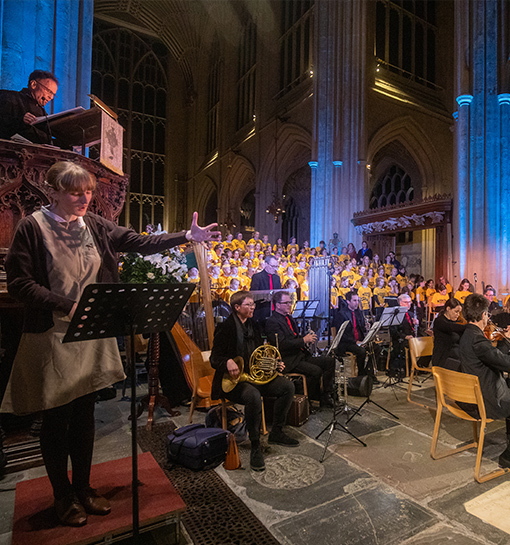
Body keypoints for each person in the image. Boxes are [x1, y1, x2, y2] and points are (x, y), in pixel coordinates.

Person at [1, 161, 219, 527]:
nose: (85, 198)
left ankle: (84, 488)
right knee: (57, 420)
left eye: (88, 191)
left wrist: (187, 236)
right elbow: (20, 283)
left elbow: (140, 242)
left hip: (90, 331)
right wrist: (66, 304)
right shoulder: (32, 228)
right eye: (75, 192)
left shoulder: (95, 225)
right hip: (51, 334)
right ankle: (62, 495)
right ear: (52, 191)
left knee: (84, 415)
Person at [209, 292, 298, 472]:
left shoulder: (254, 326)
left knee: (287, 386)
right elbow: (214, 358)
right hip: (232, 381)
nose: (253, 307)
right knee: (253, 396)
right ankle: (255, 445)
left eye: (253, 305)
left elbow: (260, 353)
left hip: (255, 376)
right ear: (237, 307)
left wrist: (274, 364)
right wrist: (227, 361)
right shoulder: (225, 328)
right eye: (249, 305)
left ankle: (277, 432)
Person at [459, 294, 510, 468]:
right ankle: (508, 455)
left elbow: (494, 358)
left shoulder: (467, 334)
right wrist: (507, 341)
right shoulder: (478, 340)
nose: (488, 318)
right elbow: (505, 363)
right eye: (487, 315)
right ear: (483, 316)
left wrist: (503, 340)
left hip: (473, 394)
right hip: (485, 399)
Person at [265, 291, 336, 406]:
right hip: (289, 360)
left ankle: (326, 396)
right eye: (286, 303)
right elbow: (282, 344)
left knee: (329, 361)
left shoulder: (288, 317)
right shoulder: (272, 322)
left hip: (299, 355)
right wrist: (303, 340)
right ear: (277, 305)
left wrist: (306, 337)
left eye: (290, 302)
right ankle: (308, 400)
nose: (290, 305)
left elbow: (294, 336)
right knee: (315, 371)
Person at [0, 69, 59, 144]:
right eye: (49, 91)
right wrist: (20, 121)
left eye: (53, 94)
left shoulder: (43, 112)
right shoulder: (7, 97)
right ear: (33, 84)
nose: (51, 97)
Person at [332, 292, 373, 378]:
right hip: (347, 343)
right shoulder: (341, 314)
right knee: (361, 352)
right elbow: (342, 334)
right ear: (348, 301)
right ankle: (361, 374)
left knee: (375, 348)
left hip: (359, 341)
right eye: (354, 300)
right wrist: (356, 342)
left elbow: (360, 328)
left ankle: (369, 372)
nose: (357, 302)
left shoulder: (359, 312)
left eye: (358, 300)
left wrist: (366, 327)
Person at [389, 294, 420, 375]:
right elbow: (393, 331)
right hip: (400, 340)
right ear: (400, 303)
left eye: (409, 302)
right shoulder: (395, 315)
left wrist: (416, 324)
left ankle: (420, 366)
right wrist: (405, 336)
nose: (408, 304)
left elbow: (414, 329)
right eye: (406, 302)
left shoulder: (411, 314)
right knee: (410, 347)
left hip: (411, 338)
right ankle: (409, 368)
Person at [431, 297, 466, 368]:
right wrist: (471, 326)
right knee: (465, 366)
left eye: (459, 312)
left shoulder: (454, 322)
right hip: (442, 359)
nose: (458, 315)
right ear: (448, 309)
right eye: (456, 311)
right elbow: (451, 327)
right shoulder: (439, 321)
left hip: (453, 356)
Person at [250, 254, 282, 326]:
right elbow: (253, 294)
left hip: (275, 311)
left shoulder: (277, 278)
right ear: (266, 264)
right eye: (273, 266)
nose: (275, 269)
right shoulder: (257, 277)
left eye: (276, 266)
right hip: (262, 311)